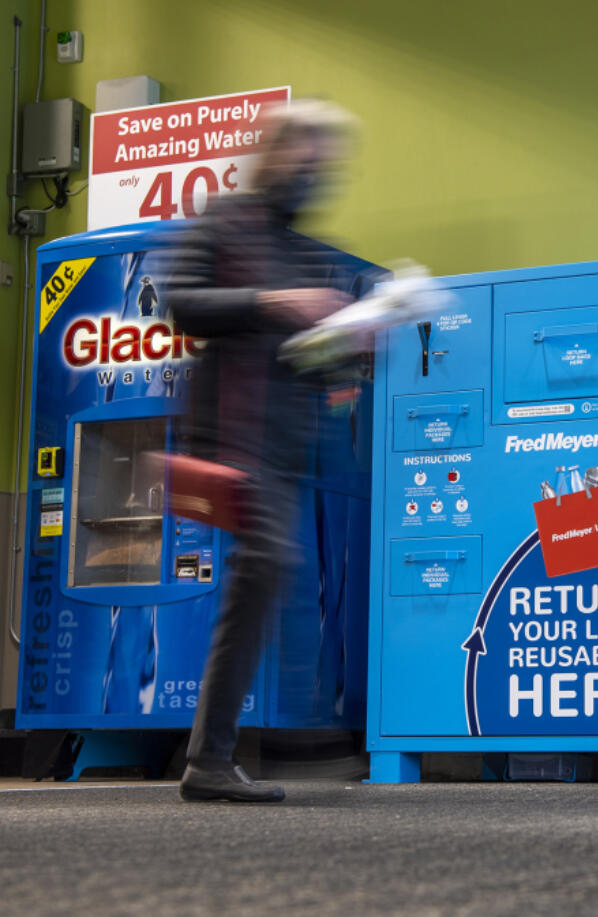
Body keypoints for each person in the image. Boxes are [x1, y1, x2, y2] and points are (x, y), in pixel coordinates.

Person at [170, 101, 356, 802]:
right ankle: (219, 756)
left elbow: (311, 357)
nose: (313, 174)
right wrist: (275, 301)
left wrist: (350, 345)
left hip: (283, 446)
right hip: (232, 435)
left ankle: (217, 755)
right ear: (275, 154)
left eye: (324, 165)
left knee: (270, 574)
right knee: (271, 563)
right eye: (304, 159)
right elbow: (183, 305)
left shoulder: (309, 251)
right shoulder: (224, 219)